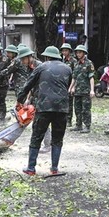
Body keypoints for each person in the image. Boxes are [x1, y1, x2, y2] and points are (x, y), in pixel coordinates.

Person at [17, 46, 72, 176]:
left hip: (44, 108)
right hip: (62, 109)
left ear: (47, 57)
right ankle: (54, 169)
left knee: (36, 137)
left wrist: (20, 99)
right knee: (57, 139)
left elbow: (28, 84)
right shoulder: (67, 68)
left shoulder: (41, 67)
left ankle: (31, 168)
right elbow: (67, 84)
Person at [68, 44, 94, 133]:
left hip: (86, 91)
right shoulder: (76, 64)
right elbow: (74, 78)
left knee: (86, 109)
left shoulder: (89, 63)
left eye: (80, 52)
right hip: (77, 91)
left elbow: (91, 77)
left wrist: (92, 90)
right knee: (77, 108)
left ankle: (87, 126)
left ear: (84, 53)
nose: (78, 54)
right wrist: (71, 87)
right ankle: (78, 125)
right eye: (77, 53)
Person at [60, 43, 76, 127]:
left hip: (70, 84)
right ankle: (64, 119)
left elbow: (75, 74)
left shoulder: (73, 61)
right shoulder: (62, 61)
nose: (64, 52)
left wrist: (73, 86)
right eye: (63, 50)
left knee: (69, 102)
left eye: (66, 50)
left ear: (69, 51)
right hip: (63, 84)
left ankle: (69, 120)